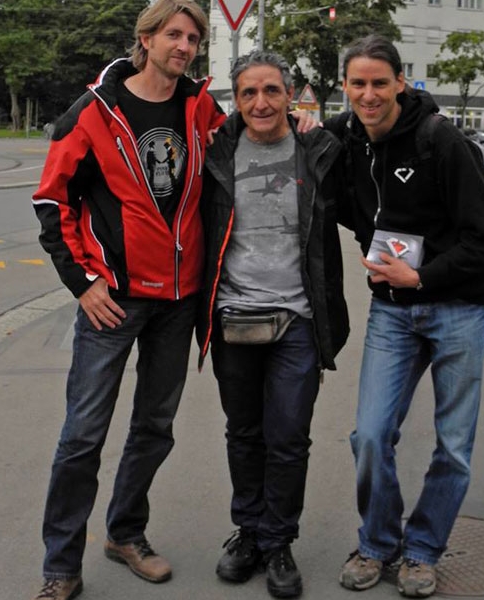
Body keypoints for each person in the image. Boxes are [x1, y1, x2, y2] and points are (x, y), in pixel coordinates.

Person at [29, 1, 224, 599]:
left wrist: (302, 126)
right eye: (174, 34)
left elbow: (251, 138)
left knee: (154, 427)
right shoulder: (93, 112)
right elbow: (50, 202)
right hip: (113, 302)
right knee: (83, 434)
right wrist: (83, 285)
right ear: (146, 38)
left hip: (179, 301)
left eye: (193, 37)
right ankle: (61, 566)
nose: (184, 46)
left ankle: (125, 532)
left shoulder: (200, 108)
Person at [321, 35, 484, 598]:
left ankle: (422, 549)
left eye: (381, 82)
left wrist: (421, 277)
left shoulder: (440, 141)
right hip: (394, 312)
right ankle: (378, 541)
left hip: (460, 308)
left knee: (452, 444)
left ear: (401, 82)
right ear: (346, 87)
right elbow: (283, 146)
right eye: (359, 83)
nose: (370, 94)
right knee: (372, 435)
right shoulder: (344, 139)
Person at [195, 50, 349, 599]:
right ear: (235, 101)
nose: (260, 102)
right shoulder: (215, 152)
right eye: (247, 93)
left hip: (299, 320)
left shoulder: (318, 150)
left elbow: (381, 130)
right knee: (244, 433)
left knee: (288, 437)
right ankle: (250, 534)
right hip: (233, 315)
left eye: (271, 91)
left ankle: (279, 540)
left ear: (290, 95)